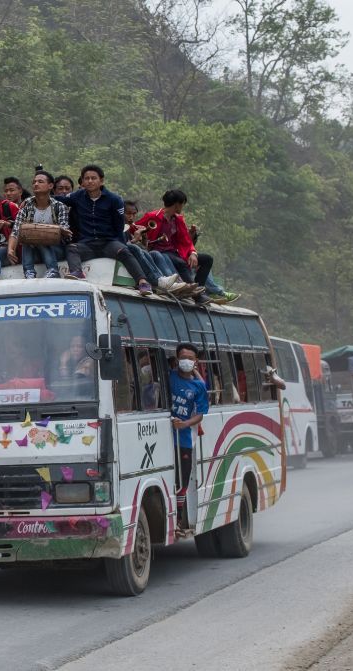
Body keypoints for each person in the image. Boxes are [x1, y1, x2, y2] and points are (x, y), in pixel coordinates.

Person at [53, 165, 153, 295]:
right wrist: (32, 199)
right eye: (86, 178)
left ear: (101, 180)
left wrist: (119, 243)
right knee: (72, 248)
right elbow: (59, 199)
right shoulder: (77, 196)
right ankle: (78, 274)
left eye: (93, 178)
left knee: (124, 251)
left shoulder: (115, 199)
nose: (89, 181)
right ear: (82, 181)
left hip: (108, 242)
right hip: (87, 244)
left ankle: (143, 282)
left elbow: (119, 225)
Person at [129, 190, 213, 305]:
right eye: (182, 204)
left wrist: (193, 253)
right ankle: (193, 293)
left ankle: (198, 289)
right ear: (177, 204)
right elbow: (134, 228)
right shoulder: (153, 216)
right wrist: (140, 235)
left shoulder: (178, 219)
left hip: (174, 252)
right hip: (157, 251)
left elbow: (185, 240)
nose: (182, 207)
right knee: (178, 262)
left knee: (207, 259)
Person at [7, 170, 71, 278]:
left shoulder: (59, 207)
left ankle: (53, 270)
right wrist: (10, 249)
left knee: (39, 236)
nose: (36, 184)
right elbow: (16, 231)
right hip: (34, 250)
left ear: (50, 186)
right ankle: (29, 272)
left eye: (40, 181)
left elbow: (65, 231)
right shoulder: (26, 207)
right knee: (28, 237)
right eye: (34, 182)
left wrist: (59, 230)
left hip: (56, 250)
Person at [170, 343, 209, 516]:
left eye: (190, 358)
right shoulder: (168, 377)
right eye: (183, 357)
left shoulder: (199, 387)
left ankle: (178, 517)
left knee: (182, 480)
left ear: (196, 361)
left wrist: (185, 424)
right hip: (164, 437)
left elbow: (200, 415)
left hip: (184, 438)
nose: (186, 361)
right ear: (177, 359)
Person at [122, 199, 187, 295]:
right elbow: (122, 244)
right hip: (118, 253)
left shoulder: (127, 226)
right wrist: (135, 240)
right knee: (134, 247)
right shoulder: (119, 225)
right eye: (128, 214)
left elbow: (144, 250)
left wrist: (144, 238)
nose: (132, 217)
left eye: (134, 214)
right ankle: (158, 281)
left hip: (129, 253)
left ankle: (162, 281)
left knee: (153, 253)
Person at [53, 175, 79, 242]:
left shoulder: (77, 206)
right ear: (54, 191)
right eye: (60, 188)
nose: (64, 191)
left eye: (67, 189)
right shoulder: (49, 207)